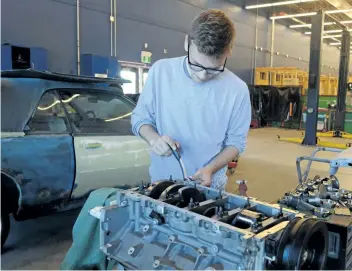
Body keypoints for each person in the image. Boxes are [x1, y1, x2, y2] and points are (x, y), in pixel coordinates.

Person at [131, 9, 251, 190]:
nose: (202, 76)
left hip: (210, 187)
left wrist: (211, 169)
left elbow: (236, 142)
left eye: (213, 69)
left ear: (228, 52)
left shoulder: (238, 89)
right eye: (195, 65)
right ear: (187, 43)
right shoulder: (161, 72)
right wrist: (154, 139)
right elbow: (140, 118)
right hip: (162, 185)